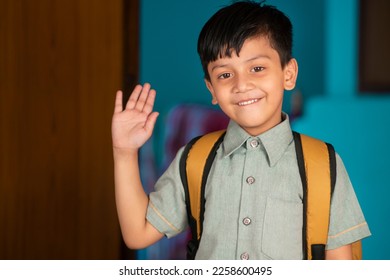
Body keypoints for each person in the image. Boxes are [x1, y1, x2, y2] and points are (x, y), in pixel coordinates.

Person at [111, 0, 371, 260]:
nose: (242, 85)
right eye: (225, 75)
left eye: (257, 68)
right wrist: (124, 152)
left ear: (288, 74)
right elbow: (138, 233)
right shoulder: (195, 159)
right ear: (212, 89)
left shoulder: (322, 163)